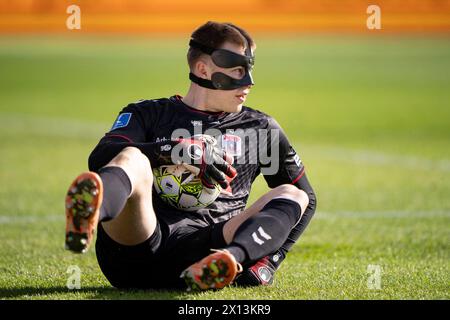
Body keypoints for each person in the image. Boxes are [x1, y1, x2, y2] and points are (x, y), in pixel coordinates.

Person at [64, 21, 317, 290]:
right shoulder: (148, 113)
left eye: (249, 70)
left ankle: (230, 261)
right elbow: (100, 157)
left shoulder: (261, 128)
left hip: (204, 252)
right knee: (131, 157)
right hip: (137, 245)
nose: (249, 82)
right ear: (203, 69)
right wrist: (173, 150)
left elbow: (308, 199)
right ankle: (88, 216)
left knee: (293, 194)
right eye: (236, 70)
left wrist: (270, 261)